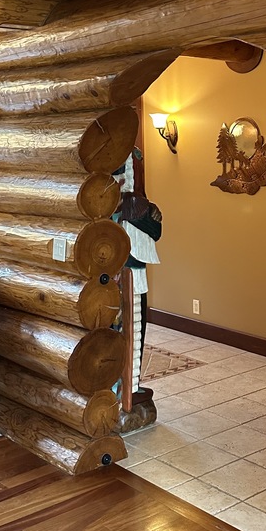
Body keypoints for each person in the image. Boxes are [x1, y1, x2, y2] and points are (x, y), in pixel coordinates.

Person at [112, 149, 162, 402]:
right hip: (108, 276)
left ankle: (130, 386)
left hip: (133, 273)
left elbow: (154, 229)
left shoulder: (140, 208)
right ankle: (117, 386)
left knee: (134, 328)